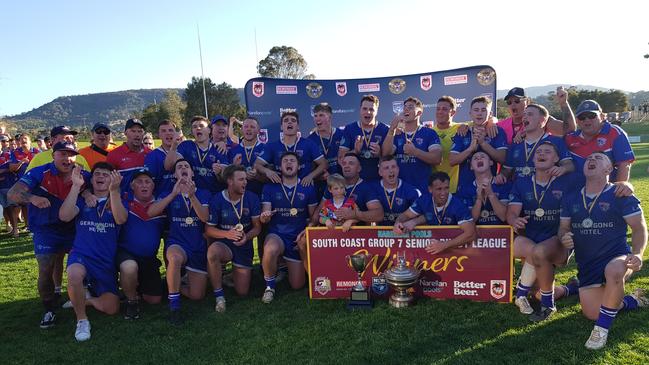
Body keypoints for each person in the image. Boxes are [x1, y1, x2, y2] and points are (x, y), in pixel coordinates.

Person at [559, 152, 647, 350]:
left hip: (617, 257)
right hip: (588, 264)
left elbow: (640, 227)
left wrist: (638, 254)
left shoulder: (620, 194)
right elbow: (563, 228)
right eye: (588, 158)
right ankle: (631, 301)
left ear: (609, 169)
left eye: (598, 158)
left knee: (614, 271)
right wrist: (563, 236)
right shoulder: (571, 198)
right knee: (591, 313)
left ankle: (601, 331)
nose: (591, 160)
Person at [7, 142, 90, 330]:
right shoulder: (40, 172)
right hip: (47, 229)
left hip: (74, 228)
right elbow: (13, 194)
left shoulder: (82, 174)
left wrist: (88, 194)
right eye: (62, 154)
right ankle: (49, 308)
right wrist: (32, 198)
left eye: (71, 154)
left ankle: (87, 296)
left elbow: (96, 186)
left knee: (84, 263)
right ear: (53, 155)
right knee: (45, 267)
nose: (67, 158)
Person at [506, 141, 576, 320]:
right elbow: (512, 212)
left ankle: (547, 306)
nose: (541, 154)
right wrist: (515, 221)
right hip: (531, 239)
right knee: (537, 293)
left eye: (547, 151)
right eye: (538, 152)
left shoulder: (567, 182)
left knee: (539, 252)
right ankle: (570, 288)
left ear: (557, 159)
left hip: (557, 240)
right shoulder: (522, 182)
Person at [59, 162, 127, 341]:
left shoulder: (117, 199)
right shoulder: (82, 200)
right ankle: (82, 320)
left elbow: (120, 220)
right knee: (73, 274)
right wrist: (76, 186)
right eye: (97, 174)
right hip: (82, 255)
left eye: (106, 174)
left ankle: (83, 298)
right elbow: (64, 216)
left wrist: (114, 191)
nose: (101, 177)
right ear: (92, 178)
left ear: (112, 178)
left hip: (104, 262)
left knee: (112, 308)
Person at [147, 159, 210, 324]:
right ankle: (174, 306)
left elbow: (204, 217)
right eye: (179, 167)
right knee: (174, 258)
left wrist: (192, 196)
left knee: (197, 295)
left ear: (192, 173)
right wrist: (173, 194)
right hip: (177, 242)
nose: (183, 168)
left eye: (186, 167)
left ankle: (171, 284)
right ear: (174, 175)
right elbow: (151, 212)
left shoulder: (203, 192)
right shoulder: (168, 192)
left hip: (198, 246)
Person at [259, 152, 318, 303]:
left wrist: (308, 229)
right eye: (285, 161)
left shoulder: (308, 187)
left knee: (297, 285)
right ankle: (269, 287)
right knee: (270, 248)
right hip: (277, 233)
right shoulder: (269, 187)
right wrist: (265, 217)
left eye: (292, 161)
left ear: (298, 166)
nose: (289, 163)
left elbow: (313, 217)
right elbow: (265, 215)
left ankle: (283, 266)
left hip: (296, 236)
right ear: (280, 167)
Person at [205, 165, 261, 313]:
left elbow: (257, 227)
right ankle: (219, 296)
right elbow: (209, 229)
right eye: (241, 179)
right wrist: (226, 234)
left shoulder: (252, 198)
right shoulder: (217, 199)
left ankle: (228, 276)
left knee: (242, 292)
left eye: (245, 179)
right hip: (225, 244)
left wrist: (246, 237)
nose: (245, 182)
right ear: (230, 181)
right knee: (213, 252)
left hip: (244, 245)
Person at [116, 169, 166, 319]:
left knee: (154, 300)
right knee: (129, 267)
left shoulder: (161, 205)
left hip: (149, 258)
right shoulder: (124, 202)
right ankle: (131, 301)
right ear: (132, 186)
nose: (144, 185)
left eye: (147, 182)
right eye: (139, 182)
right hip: (126, 253)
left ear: (153, 186)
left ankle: (133, 286)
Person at [393, 172, 476, 254]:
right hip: (432, 249)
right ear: (430, 189)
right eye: (439, 189)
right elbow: (406, 215)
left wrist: (443, 245)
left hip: (455, 252)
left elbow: (471, 234)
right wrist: (398, 223)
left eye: (446, 188)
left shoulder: (458, 205)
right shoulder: (424, 200)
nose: (443, 193)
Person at [564, 99, 634, 187]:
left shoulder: (614, 132)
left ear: (601, 116)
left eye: (591, 115)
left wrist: (617, 190)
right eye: (582, 117)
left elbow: (624, 163)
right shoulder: (570, 138)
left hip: (605, 192)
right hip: (576, 192)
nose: (587, 120)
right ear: (577, 121)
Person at [500, 104, 573, 181]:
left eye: (530, 114)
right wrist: (501, 176)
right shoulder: (516, 143)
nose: (524, 117)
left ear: (542, 120)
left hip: (545, 190)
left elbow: (569, 164)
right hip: (518, 191)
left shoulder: (556, 141)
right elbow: (507, 169)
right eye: (524, 114)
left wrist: (563, 168)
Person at [383, 97, 442, 192]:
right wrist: (391, 130)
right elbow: (385, 154)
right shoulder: (396, 134)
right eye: (405, 107)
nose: (406, 109)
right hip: (400, 190)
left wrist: (415, 152)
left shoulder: (429, 133)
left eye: (410, 107)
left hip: (423, 188)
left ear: (419, 113)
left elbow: (437, 159)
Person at [449, 96, 507, 194]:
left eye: (483, 110)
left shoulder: (497, 131)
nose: (479, 113)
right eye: (476, 110)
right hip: (465, 189)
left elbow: (503, 159)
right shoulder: (463, 132)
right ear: (470, 114)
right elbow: (452, 161)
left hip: (490, 189)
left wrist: (483, 143)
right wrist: (470, 149)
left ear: (490, 114)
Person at [255, 111, 327, 187]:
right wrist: (267, 171)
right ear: (281, 127)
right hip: (280, 188)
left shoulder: (309, 144)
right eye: (286, 120)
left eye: (293, 120)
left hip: (304, 188)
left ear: (298, 126)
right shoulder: (272, 146)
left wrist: (311, 176)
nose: (289, 122)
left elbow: (324, 164)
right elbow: (257, 164)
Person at [315, 152, 383, 225]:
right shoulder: (334, 185)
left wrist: (355, 215)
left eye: (351, 163)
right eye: (344, 163)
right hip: (333, 233)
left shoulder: (366, 187)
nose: (346, 166)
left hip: (356, 234)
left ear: (359, 168)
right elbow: (319, 212)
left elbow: (379, 215)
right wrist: (310, 226)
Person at [165, 116, 229, 193]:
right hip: (193, 194)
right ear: (192, 131)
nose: (198, 128)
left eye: (201, 126)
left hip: (214, 195)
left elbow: (226, 176)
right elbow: (168, 166)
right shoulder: (186, 145)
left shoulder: (218, 149)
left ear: (209, 130)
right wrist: (174, 146)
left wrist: (220, 171)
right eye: (194, 127)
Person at [338, 95, 390, 182]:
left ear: (376, 111)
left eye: (371, 109)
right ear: (360, 110)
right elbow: (341, 158)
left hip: (379, 181)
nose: (368, 112)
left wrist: (380, 154)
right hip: (356, 182)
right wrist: (355, 151)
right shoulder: (350, 129)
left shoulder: (385, 129)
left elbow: (391, 159)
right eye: (365, 109)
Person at [498, 87, 576, 144]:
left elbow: (569, 129)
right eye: (509, 102)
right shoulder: (500, 126)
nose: (513, 105)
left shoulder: (540, 120)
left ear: (527, 102)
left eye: (517, 101)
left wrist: (563, 103)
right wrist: (490, 122)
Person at [456, 152, 511, 225]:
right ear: (471, 167)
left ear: (491, 162)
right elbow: (470, 221)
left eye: (483, 157)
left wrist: (491, 194)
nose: (479, 159)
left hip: (501, 233)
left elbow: (504, 217)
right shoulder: (465, 190)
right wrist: (478, 199)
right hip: (476, 233)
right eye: (475, 158)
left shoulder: (503, 184)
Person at [306, 103, 344, 196]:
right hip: (320, 187)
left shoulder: (342, 134)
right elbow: (308, 167)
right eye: (315, 116)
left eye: (321, 115)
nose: (317, 118)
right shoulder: (309, 140)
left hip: (341, 185)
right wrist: (318, 176)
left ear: (329, 117)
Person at [373, 155, 420, 226]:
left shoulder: (412, 191)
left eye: (393, 167)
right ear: (380, 172)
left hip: (403, 232)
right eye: (386, 168)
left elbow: (422, 214)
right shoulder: (372, 189)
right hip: (379, 234)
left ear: (398, 169)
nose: (391, 170)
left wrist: (412, 222)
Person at [27, 126, 91, 172]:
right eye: (66, 138)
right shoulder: (39, 158)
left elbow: (89, 179)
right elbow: (27, 178)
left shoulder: (79, 158)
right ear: (53, 139)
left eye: (72, 138)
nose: (70, 140)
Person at [432, 96, 462, 193]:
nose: (440, 112)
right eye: (438, 109)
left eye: (444, 109)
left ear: (453, 112)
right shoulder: (429, 132)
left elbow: (486, 120)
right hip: (436, 189)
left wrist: (491, 122)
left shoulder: (461, 128)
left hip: (456, 188)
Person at [228, 116, 265, 196]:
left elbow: (271, 177)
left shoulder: (266, 149)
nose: (248, 129)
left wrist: (257, 176)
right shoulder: (233, 150)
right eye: (246, 126)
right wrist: (234, 166)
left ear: (258, 131)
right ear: (241, 130)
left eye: (252, 127)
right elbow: (227, 178)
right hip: (239, 198)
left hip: (261, 195)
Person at [144, 120, 177, 197]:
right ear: (159, 135)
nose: (168, 133)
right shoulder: (152, 156)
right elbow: (148, 182)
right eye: (163, 131)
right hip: (160, 199)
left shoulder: (183, 151)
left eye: (170, 130)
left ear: (175, 133)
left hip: (182, 199)